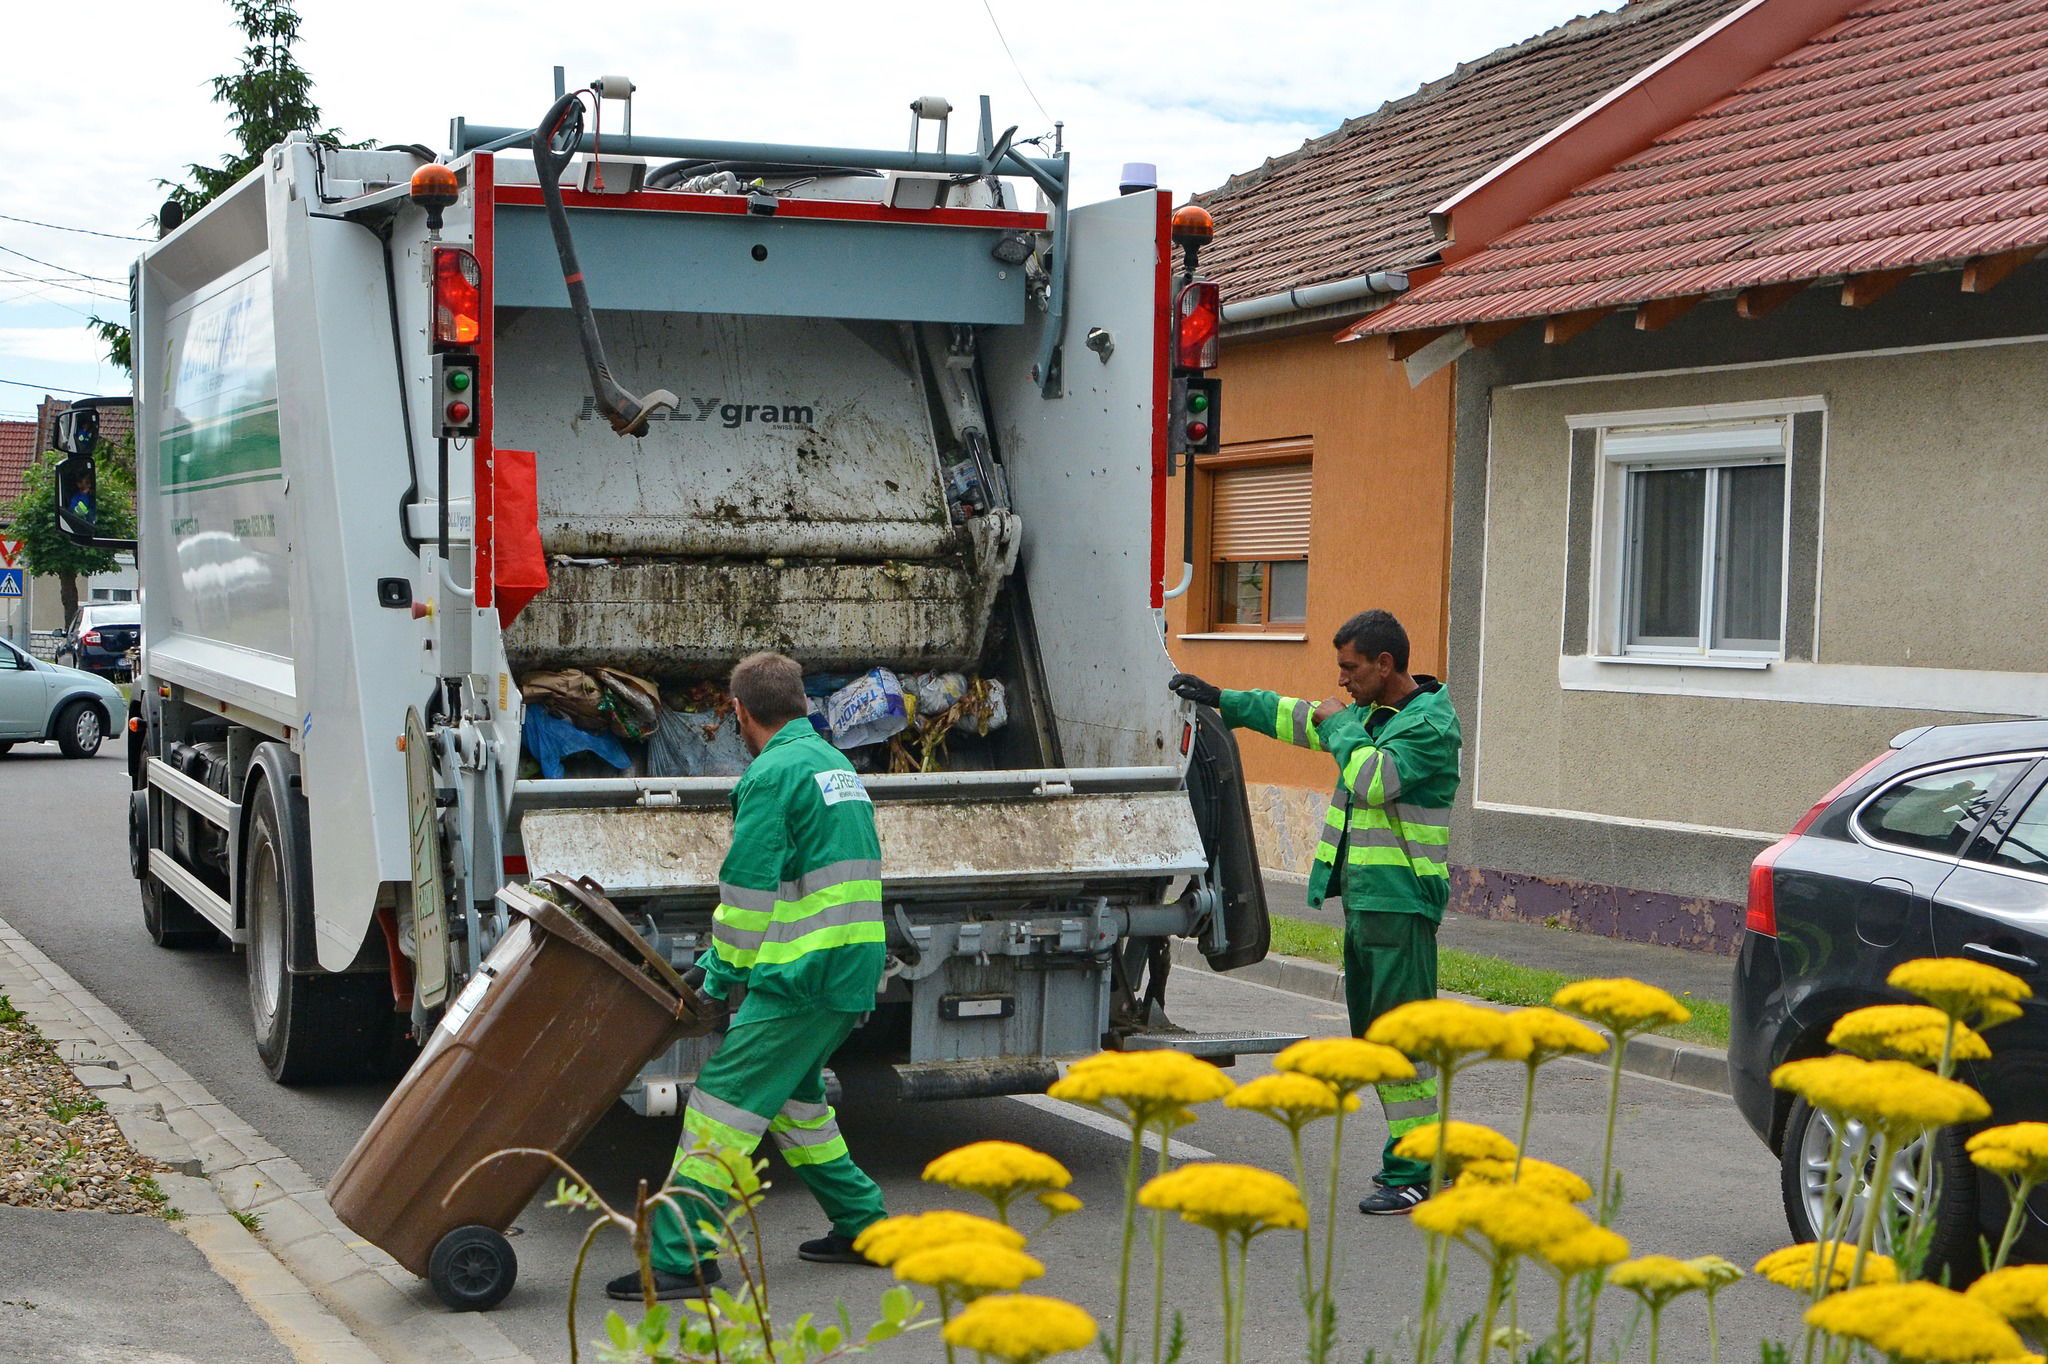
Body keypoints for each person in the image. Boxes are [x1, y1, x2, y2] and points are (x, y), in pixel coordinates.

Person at [609, 651, 888, 1299]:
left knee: (721, 1103)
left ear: (738, 712)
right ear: (801, 703)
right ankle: (866, 1227)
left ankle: (681, 1257)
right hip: (848, 960)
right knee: (797, 1106)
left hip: (800, 971)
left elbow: (747, 891)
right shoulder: (833, 764)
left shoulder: (771, 775)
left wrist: (716, 976)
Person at [1169, 609, 1462, 1215]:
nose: (1342, 680)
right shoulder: (1374, 713)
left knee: (1399, 1043)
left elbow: (1374, 780)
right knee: (1377, 1040)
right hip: (1369, 902)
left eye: (1351, 669)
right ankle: (1430, 1156)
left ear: (1385, 665)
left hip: (1401, 904)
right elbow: (1297, 716)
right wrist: (1223, 699)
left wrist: (1340, 728)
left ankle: (1417, 1171)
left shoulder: (1431, 725)